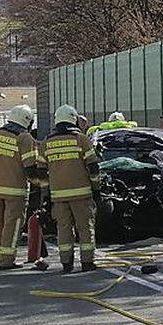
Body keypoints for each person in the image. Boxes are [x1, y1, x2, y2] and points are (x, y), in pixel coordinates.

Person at [44, 105, 101, 273]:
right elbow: (93, 168)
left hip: (58, 196)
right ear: (74, 119)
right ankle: (87, 263)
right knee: (85, 228)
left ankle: (66, 263)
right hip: (82, 193)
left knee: (63, 229)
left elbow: (41, 173)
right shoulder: (82, 139)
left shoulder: (47, 142)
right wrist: (96, 190)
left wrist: (46, 196)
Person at [0, 105, 43, 269]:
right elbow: (31, 169)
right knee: (13, 225)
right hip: (15, 191)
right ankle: (7, 260)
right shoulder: (24, 138)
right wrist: (43, 185)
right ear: (27, 121)